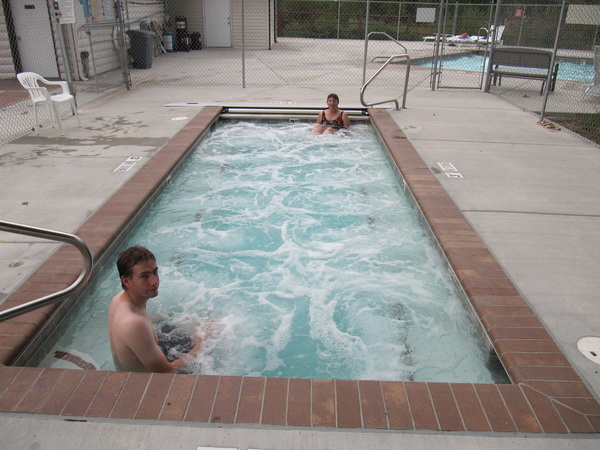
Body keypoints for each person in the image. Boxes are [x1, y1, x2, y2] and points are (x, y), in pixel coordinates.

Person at [108, 245, 202, 372]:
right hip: (144, 381)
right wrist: (202, 344)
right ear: (126, 281)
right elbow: (165, 372)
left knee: (200, 324)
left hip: (145, 356)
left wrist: (168, 318)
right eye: (144, 276)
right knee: (214, 337)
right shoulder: (134, 324)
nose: (154, 281)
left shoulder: (119, 299)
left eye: (155, 272)